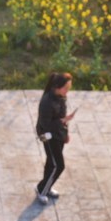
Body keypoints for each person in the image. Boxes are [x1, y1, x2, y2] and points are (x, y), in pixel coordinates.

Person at [34, 72, 75, 205]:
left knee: (52, 163)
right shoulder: (47, 102)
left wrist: (66, 134)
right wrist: (63, 120)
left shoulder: (61, 97)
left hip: (58, 134)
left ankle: (47, 186)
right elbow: (45, 125)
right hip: (48, 136)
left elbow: (62, 118)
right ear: (57, 86)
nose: (67, 91)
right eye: (66, 88)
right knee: (59, 166)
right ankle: (41, 189)